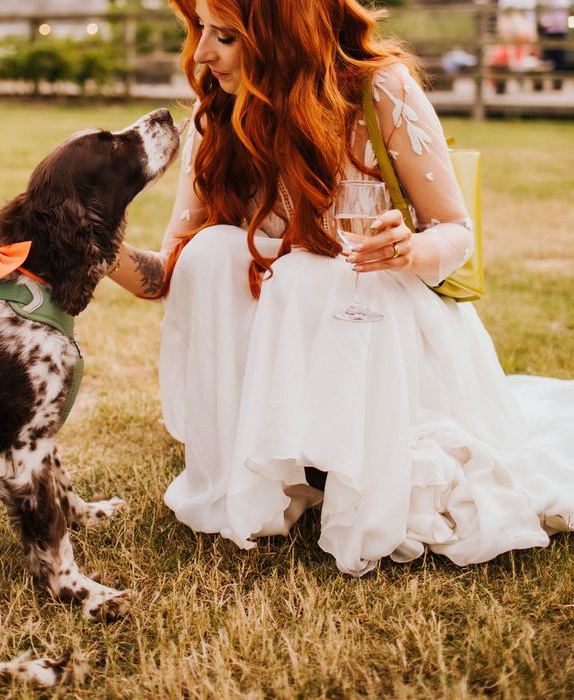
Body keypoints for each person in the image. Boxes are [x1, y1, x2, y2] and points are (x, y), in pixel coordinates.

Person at [108, 0, 574, 576]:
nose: (201, 52)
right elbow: (170, 278)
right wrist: (90, 245)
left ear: (283, 33)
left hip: (381, 326)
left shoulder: (380, 90)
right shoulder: (218, 120)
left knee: (308, 271)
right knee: (211, 253)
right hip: (286, 334)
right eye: (199, 29)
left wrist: (410, 246)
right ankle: (264, 470)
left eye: (224, 35)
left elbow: (456, 232)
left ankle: (347, 463)